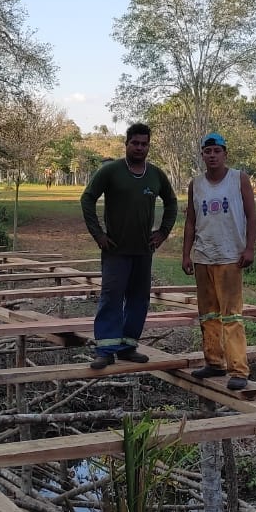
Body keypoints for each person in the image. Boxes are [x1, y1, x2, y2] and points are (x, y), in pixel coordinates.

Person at [81, 123, 179, 369]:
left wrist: (163, 232)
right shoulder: (112, 171)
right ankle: (105, 349)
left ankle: (127, 347)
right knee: (111, 297)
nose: (139, 147)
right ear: (126, 144)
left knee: (138, 299)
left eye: (144, 144)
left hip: (143, 251)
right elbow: (88, 198)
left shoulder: (155, 175)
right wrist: (98, 235)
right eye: (135, 143)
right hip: (115, 249)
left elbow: (171, 202)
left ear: (148, 146)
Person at [182, 133, 256, 390]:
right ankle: (214, 362)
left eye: (217, 150)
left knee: (232, 316)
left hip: (230, 257)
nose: (212, 155)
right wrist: (186, 253)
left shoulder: (239, 179)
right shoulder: (197, 184)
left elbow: (251, 215)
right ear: (202, 155)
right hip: (204, 256)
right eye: (207, 151)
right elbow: (191, 220)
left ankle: (238, 369)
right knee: (208, 314)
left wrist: (249, 248)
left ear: (225, 153)